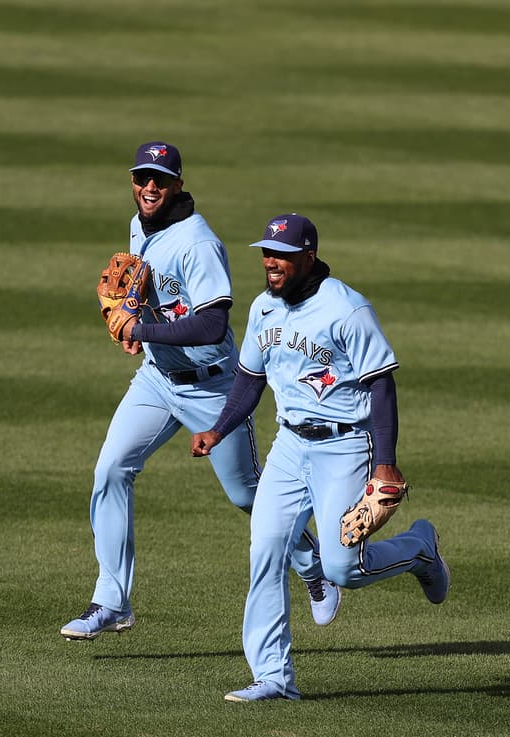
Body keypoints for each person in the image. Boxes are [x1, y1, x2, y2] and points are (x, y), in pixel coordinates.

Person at [60, 143, 338, 640]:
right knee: (111, 468)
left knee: (248, 494)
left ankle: (312, 566)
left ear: (178, 185)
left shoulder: (197, 242)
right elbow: (154, 295)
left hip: (212, 388)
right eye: (142, 177)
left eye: (160, 180)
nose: (149, 188)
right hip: (156, 378)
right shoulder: (139, 225)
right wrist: (136, 319)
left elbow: (211, 324)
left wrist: (139, 330)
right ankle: (111, 601)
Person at [191, 213, 450, 702]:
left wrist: (386, 462)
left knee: (342, 569)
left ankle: (420, 550)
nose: (271, 263)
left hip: (346, 444)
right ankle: (274, 676)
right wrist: (218, 428)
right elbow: (249, 379)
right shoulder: (263, 308)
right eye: (267, 254)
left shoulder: (346, 309)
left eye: (282, 256)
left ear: (308, 257)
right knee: (265, 551)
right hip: (290, 446)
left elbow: (381, 383)